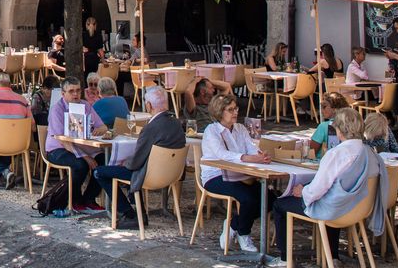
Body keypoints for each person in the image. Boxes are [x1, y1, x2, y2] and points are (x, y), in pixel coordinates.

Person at [265, 107, 385, 268]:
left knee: (281, 205)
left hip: (337, 210)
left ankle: (285, 259)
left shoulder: (337, 153)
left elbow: (318, 189)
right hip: (359, 208)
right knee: (332, 197)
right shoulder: (371, 153)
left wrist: (303, 192)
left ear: (339, 130)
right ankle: (333, 258)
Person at [93, 87, 184, 226]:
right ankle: (140, 214)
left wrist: (124, 163)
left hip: (149, 176)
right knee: (132, 168)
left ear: (149, 105)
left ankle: (129, 214)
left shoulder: (151, 128)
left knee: (100, 172)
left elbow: (135, 162)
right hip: (171, 175)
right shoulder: (177, 124)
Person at [199, 93, 270, 253]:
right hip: (215, 175)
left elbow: (250, 146)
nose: (235, 112)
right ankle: (244, 233)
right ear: (220, 112)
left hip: (241, 175)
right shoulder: (212, 131)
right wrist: (246, 157)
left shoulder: (240, 128)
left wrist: (259, 155)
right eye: (230, 110)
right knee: (248, 198)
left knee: (270, 198)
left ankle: (234, 224)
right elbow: (222, 155)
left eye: (236, 108)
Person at [44, 78, 105, 210]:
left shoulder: (85, 105)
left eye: (78, 90)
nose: (75, 94)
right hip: (57, 149)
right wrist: (85, 157)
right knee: (80, 165)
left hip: (83, 147)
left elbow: (102, 126)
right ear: (63, 94)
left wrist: (99, 129)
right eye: (71, 91)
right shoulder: (57, 109)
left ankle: (89, 198)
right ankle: (74, 200)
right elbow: (62, 140)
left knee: (105, 160)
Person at [309, 93, 352, 159]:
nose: (321, 110)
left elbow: (312, 151)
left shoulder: (323, 126)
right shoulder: (352, 124)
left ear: (335, 108)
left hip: (324, 162)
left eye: (324, 107)